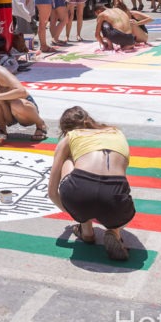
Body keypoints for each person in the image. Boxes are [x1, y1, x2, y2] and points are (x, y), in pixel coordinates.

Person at [47, 106, 136, 261]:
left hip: (79, 191)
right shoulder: (116, 132)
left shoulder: (71, 137)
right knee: (110, 189)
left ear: (65, 130)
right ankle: (114, 231)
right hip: (115, 200)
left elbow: (52, 193)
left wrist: (77, 215)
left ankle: (86, 230)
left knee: (69, 159)